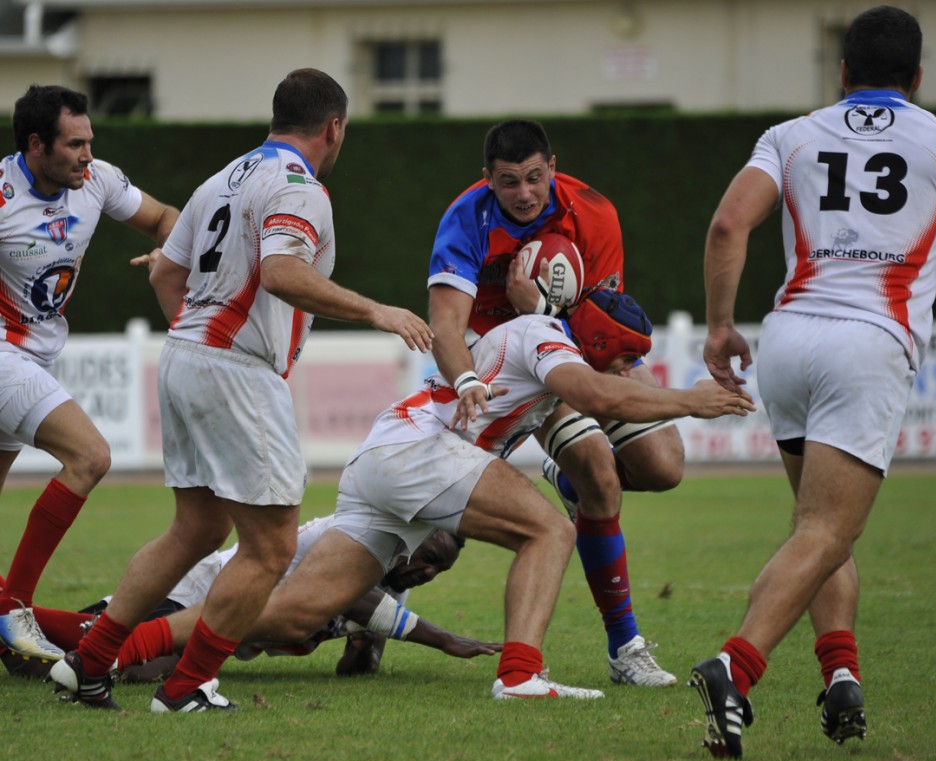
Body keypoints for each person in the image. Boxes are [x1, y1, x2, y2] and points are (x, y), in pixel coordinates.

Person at [688, 5, 936, 760]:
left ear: (841, 74)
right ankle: (732, 668)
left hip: (789, 337)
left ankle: (841, 672)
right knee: (827, 530)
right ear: (918, 77)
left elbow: (724, 226)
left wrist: (718, 325)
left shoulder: (791, 135)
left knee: (816, 525)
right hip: (868, 343)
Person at [48, 68, 434, 713]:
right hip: (232, 369)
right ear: (334, 127)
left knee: (195, 529)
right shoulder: (300, 188)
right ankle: (186, 686)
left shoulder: (224, 175)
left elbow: (166, 271)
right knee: (273, 545)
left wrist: (198, 338)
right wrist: (377, 311)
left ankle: (88, 661)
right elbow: (282, 272)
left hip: (185, 356)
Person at [201, 286, 750, 702]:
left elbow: (592, 390)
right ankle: (520, 675)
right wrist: (690, 402)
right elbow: (596, 395)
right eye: (628, 359)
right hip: (417, 450)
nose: (632, 372)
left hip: (384, 456)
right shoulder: (546, 338)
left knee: (296, 614)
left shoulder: (542, 336)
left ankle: (132, 638)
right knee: (550, 530)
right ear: (601, 340)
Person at [428, 119, 688, 687]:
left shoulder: (594, 213)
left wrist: (540, 306)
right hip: (499, 364)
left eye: (534, 178)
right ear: (487, 180)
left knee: (665, 467)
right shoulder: (465, 218)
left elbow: (603, 325)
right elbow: (445, 326)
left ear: (553, 165)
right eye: (508, 182)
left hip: (571, 346)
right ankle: (626, 650)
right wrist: (469, 377)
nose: (523, 194)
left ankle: (566, 482)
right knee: (434, 531)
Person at [0, 85, 179, 662]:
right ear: (36, 145)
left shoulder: (98, 180)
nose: (87, 154)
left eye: (90, 141)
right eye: (75, 143)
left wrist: (167, 250)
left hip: (36, 355)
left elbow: (166, 218)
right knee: (91, 457)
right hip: (4, 353)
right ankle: (14, 610)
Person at [5, 527, 495, 681]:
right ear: (410, 538)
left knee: (76, 667)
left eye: (439, 570)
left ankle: (16, 636)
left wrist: (365, 649)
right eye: (428, 559)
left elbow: (357, 664)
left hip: (226, 632)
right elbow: (357, 600)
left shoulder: (395, 590)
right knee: (108, 652)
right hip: (197, 594)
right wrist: (445, 640)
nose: (427, 573)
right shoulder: (359, 541)